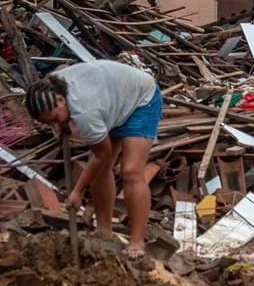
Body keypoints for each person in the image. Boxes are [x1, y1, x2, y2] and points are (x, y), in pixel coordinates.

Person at [25, 60, 162, 256]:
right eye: (50, 124)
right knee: (101, 170)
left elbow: (102, 154)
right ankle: (104, 231)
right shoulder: (49, 87)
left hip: (141, 99)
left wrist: (78, 191)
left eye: (55, 119)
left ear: (61, 100)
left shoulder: (85, 112)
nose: (54, 126)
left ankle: (137, 242)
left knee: (131, 172)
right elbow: (101, 159)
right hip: (112, 100)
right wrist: (62, 123)